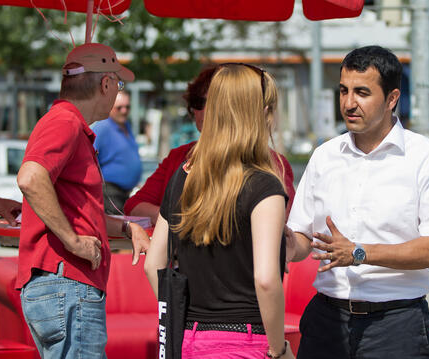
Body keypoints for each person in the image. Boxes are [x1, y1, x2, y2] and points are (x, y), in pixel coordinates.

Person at [285, 46, 429, 359]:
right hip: (325, 319)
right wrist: (275, 241)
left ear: (392, 98)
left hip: (396, 325)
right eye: (343, 91)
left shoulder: (428, 159)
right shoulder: (324, 157)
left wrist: (359, 253)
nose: (349, 103)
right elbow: (302, 238)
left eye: (362, 92)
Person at [144, 64, 294, 359]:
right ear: (261, 113)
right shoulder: (264, 185)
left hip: (188, 339)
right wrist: (279, 349)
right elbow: (266, 279)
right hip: (246, 340)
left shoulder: (183, 176)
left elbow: (154, 264)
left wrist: (178, 319)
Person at [15, 43, 150, 359]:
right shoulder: (65, 121)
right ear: (105, 84)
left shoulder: (67, 122)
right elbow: (30, 178)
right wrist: (73, 241)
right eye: (118, 84)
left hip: (63, 284)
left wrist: (127, 229)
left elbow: (78, 210)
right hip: (67, 282)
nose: (118, 92)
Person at [124, 65, 295, 224]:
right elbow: (134, 206)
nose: (207, 110)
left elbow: (287, 223)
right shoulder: (181, 159)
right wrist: (185, 223)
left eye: (215, 102)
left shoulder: (270, 163)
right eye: (199, 102)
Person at [92, 91, 142, 214]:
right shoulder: (102, 127)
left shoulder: (126, 125)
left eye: (127, 107)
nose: (124, 111)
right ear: (110, 107)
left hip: (126, 193)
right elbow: (89, 159)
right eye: (119, 108)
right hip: (109, 192)